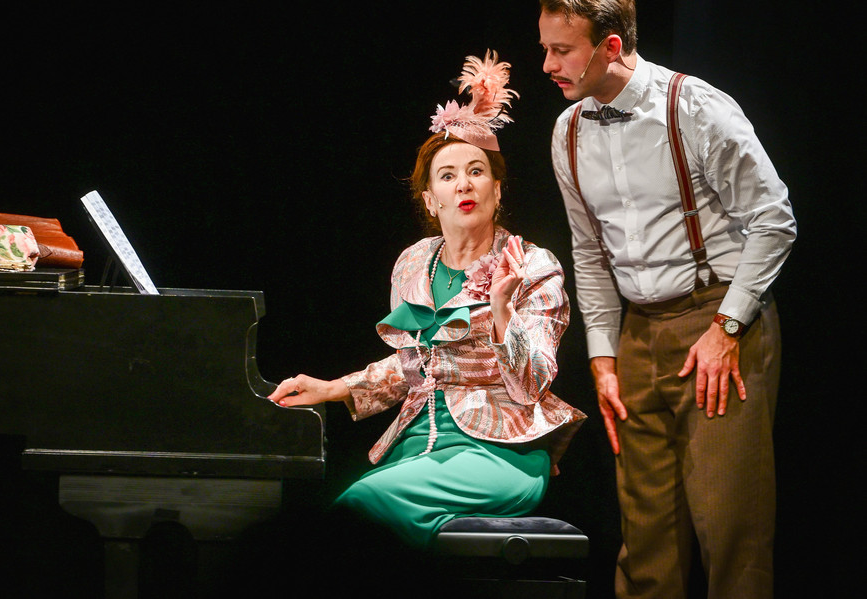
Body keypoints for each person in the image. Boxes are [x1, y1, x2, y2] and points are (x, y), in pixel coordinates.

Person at [267, 50, 585, 562]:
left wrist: (502, 313)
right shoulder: (414, 264)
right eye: (448, 175)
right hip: (420, 443)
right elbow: (415, 366)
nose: (464, 184)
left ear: (497, 190)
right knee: (345, 525)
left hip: (500, 451)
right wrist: (333, 388)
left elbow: (533, 383)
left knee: (358, 510)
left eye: (477, 171)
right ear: (430, 198)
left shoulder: (532, 264)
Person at [538, 1, 796, 598]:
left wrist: (727, 328)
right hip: (637, 332)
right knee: (647, 537)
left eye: (562, 50)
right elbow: (589, 251)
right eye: (545, 48)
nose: (547, 63)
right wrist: (603, 357)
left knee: (730, 527)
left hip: (717, 318)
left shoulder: (694, 108)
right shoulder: (568, 130)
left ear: (610, 46)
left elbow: (773, 220)